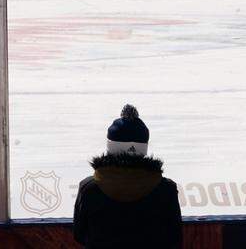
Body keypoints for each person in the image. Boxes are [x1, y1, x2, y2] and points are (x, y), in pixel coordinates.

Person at [73, 104, 181, 249]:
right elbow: (174, 236)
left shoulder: (89, 188)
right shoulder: (166, 189)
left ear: (110, 146)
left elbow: (79, 233)